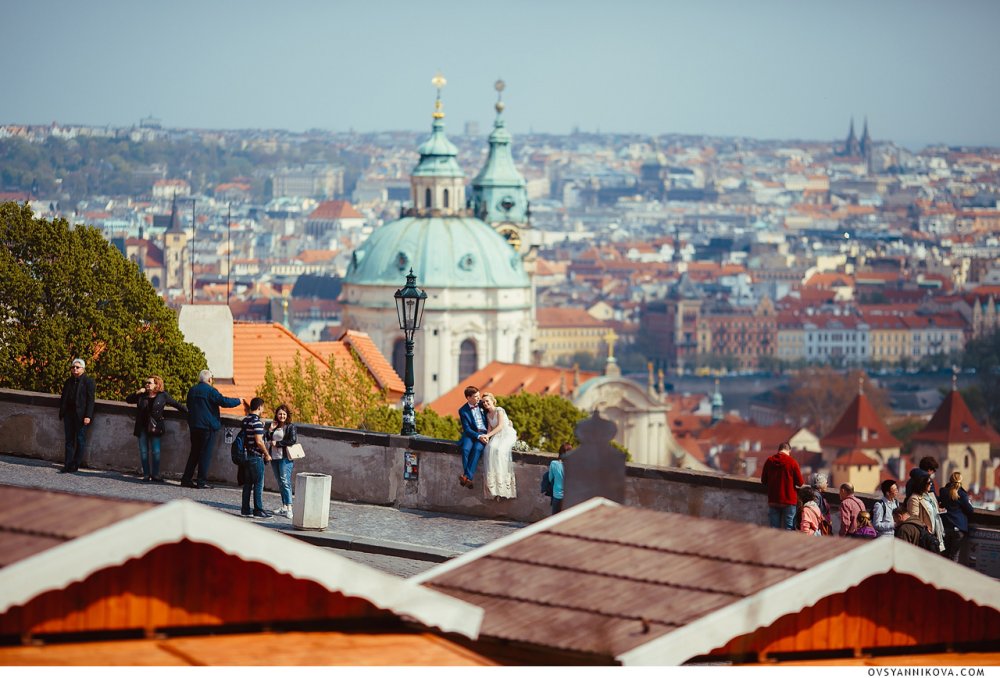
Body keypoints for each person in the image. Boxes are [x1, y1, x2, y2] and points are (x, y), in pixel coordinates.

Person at [182, 369, 242, 489]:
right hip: (208, 427)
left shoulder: (192, 390)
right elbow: (223, 401)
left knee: (194, 453)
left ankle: (186, 479)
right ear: (209, 379)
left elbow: (188, 405)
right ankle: (201, 481)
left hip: (194, 426)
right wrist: (238, 400)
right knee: (205, 454)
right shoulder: (211, 391)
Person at [125, 374, 186, 482]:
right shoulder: (142, 395)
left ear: (157, 385)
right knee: (144, 451)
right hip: (142, 426)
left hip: (155, 426)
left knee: (156, 452)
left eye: (149, 383)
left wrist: (190, 412)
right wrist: (137, 392)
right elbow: (128, 400)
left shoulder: (163, 395)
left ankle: (156, 474)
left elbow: (176, 405)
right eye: (146, 383)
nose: (147, 384)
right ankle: (146, 474)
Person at [58, 358, 96, 473]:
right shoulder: (68, 381)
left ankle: (75, 464)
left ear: (83, 369)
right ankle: (67, 464)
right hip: (68, 414)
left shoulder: (88, 382)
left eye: (77, 367)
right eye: (73, 367)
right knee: (69, 440)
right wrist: (62, 412)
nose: (75, 369)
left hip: (81, 415)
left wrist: (88, 416)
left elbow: (90, 400)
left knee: (80, 440)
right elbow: (64, 397)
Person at [480, 393, 517, 499]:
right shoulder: (488, 415)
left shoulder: (499, 410)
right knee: (489, 449)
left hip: (507, 434)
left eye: (487, 401)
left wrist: (488, 436)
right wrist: (486, 438)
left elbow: (500, 426)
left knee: (499, 450)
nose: (485, 403)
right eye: (484, 402)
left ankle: (503, 484)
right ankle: (494, 486)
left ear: (493, 401)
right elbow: (489, 429)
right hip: (497, 435)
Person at [240, 397, 272, 518]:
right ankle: (258, 510)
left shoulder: (245, 420)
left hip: (246, 455)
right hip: (256, 457)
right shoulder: (257, 422)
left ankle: (245, 509)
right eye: (262, 407)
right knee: (258, 484)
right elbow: (259, 441)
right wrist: (267, 454)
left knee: (247, 484)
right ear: (259, 407)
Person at [760, 442, 803, 530]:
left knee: (774, 529)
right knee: (789, 528)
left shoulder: (769, 461)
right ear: (789, 450)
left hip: (773, 499)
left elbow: (763, 480)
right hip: (789, 500)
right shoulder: (792, 462)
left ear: (779, 450)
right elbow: (800, 483)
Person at [265, 404, 297, 519]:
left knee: (285, 481)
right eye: (280, 414)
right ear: (276, 415)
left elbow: (292, 440)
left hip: (285, 458)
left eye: (284, 414)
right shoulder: (274, 425)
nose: (282, 416)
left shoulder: (290, 427)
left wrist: (278, 444)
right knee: (280, 482)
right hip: (274, 457)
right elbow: (267, 438)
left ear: (287, 415)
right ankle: (284, 506)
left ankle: (289, 508)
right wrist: (270, 430)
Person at [905, 469, 945, 553]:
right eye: (929, 483)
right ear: (922, 484)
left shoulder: (930, 496)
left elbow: (934, 510)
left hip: (935, 533)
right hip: (925, 536)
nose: (931, 484)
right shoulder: (914, 499)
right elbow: (914, 519)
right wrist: (925, 528)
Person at [938, 471, 975, 563]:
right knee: (954, 556)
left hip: (945, 526)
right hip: (958, 527)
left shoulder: (943, 491)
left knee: (944, 555)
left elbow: (941, 503)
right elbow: (970, 510)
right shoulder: (962, 494)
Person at [457, 386, 488, 489]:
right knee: (465, 449)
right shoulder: (463, 410)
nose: (479, 398)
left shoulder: (483, 404)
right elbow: (467, 429)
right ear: (468, 398)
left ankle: (466, 477)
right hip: (471, 433)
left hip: (484, 433)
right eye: (476, 396)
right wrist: (478, 436)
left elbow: (493, 411)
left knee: (476, 449)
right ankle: (468, 478)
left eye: (479, 395)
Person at [548, 443, 570, 514]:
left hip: (557, 495)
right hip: (569, 496)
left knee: (555, 515)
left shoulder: (553, 463)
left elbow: (550, 478)